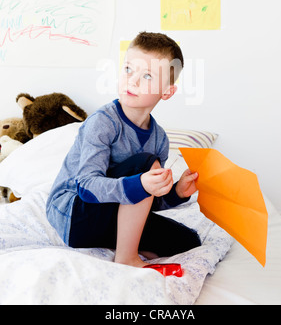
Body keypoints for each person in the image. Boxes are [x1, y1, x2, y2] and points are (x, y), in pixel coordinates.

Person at [46, 31, 201, 269]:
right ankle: (126, 257)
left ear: (167, 91)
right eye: (128, 69)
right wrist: (141, 183)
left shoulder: (159, 139)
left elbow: (145, 201)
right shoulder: (103, 123)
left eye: (147, 75)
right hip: (75, 215)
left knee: (188, 241)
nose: (133, 81)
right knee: (144, 166)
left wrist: (176, 193)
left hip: (112, 216)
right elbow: (87, 187)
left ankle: (123, 243)